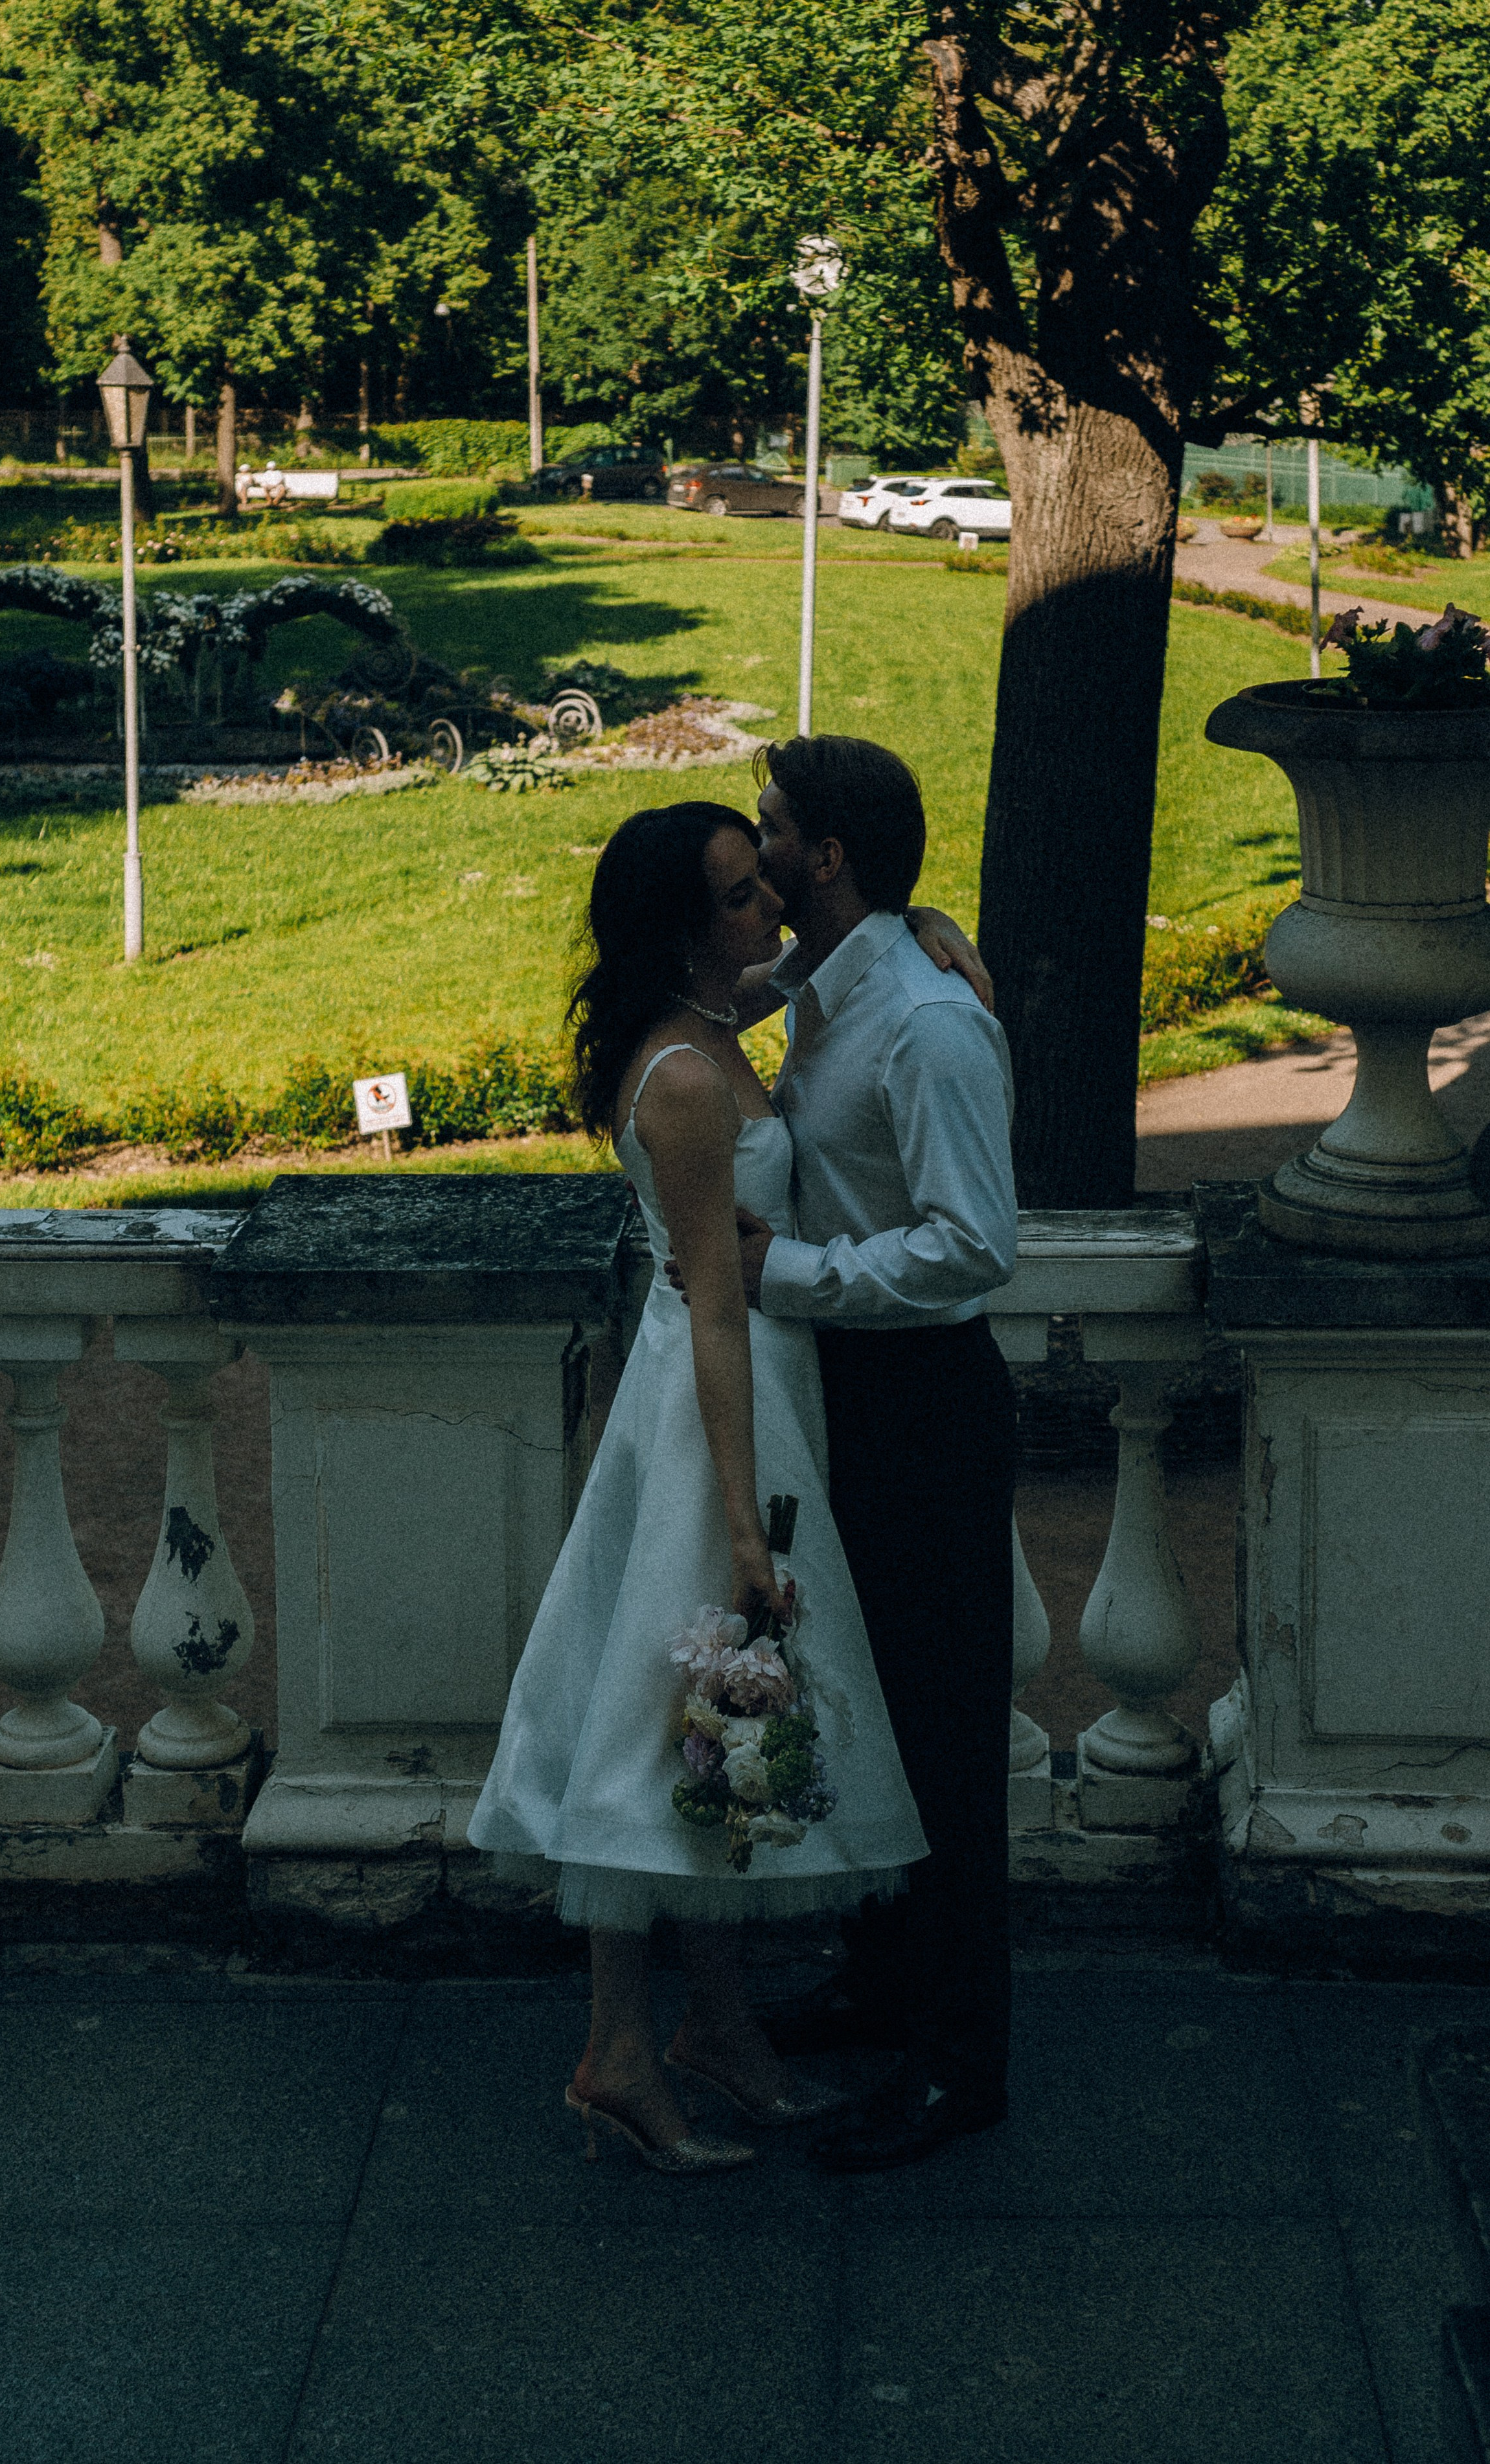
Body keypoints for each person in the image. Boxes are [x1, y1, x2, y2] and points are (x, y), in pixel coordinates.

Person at [467, 801, 932, 2174]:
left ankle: (716, 2029)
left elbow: (810, 967)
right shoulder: (682, 1078)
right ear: (682, 926)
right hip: (710, 1420)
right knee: (655, 1726)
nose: (769, 915)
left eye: (763, 887)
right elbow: (717, 1309)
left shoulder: (711, 1023)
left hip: (745, 1403)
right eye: (738, 899)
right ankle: (619, 2050)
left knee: (712, 1737)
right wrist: (740, 1520)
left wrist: (927, 931)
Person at [708, 733, 1020, 2174]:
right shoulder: (827, 988)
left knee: (944, 1743)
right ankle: (883, 1983)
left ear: (822, 855)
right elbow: (704, 991)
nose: (753, 845)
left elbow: (973, 1250)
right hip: (845, 1397)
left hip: (922, 1405)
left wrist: (789, 1272)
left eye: (767, 827)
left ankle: (960, 2064)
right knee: (867, 1711)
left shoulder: (924, 1026)